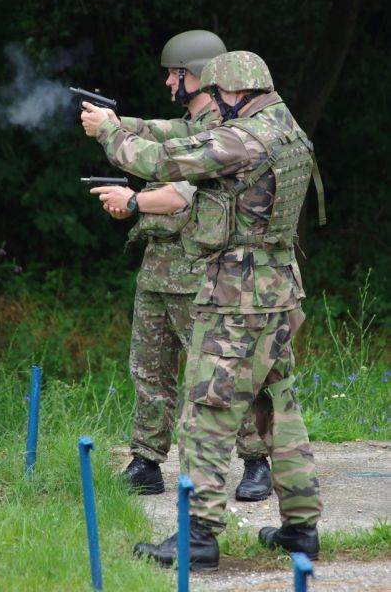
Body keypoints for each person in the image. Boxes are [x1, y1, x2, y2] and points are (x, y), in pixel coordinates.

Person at [81, 50, 325, 571]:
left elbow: (159, 163)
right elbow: (182, 140)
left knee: (207, 412)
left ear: (232, 92)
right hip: (280, 288)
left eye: (216, 95)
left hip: (238, 295)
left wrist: (109, 132)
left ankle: (198, 535)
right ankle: (301, 528)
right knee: (278, 406)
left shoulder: (242, 139)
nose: (214, 104)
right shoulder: (287, 128)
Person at [92, 31, 273, 502]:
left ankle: (256, 460)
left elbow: (179, 194)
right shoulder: (190, 123)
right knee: (149, 371)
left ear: (199, 74)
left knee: (227, 372)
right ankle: (147, 460)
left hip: (203, 273)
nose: (169, 82)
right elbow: (157, 133)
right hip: (160, 268)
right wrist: (112, 123)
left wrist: (134, 200)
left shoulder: (226, 132)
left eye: (175, 74)